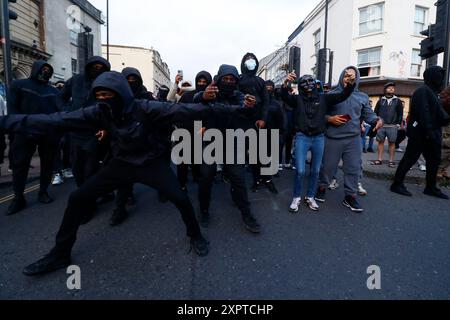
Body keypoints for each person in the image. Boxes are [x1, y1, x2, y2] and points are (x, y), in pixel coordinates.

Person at [0, 71, 250, 276]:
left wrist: (233, 108)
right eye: (99, 95)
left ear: (122, 95)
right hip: (120, 164)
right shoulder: (98, 112)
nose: (103, 100)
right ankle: (60, 253)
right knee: (77, 198)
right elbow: (55, 120)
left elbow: (191, 111)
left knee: (181, 199)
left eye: (109, 95)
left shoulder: (147, 108)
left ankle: (195, 235)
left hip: (151, 163)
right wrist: (5, 122)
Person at [193, 64, 262, 232]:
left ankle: (246, 214)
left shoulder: (240, 96)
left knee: (238, 178)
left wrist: (252, 106)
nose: (229, 82)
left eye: (232, 79)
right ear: (219, 79)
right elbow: (196, 99)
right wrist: (203, 95)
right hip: (211, 141)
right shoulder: (211, 93)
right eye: (226, 79)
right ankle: (204, 210)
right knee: (206, 176)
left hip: (232, 142)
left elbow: (250, 111)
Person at [281, 72, 356, 213]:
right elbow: (284, 96)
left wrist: (350, 85)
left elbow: (342, 96)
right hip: (302, 137)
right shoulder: (297, 99)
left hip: (319, 138)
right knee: (300, 170)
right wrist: (286, 83)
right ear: (300, 85)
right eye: (304, 82)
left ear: (315, 83)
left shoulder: (323, 98)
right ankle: (296, 197)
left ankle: (310, 197)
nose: (307, 84)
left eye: (310, 81)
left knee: (315, 170)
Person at [316, 67, 383, 213]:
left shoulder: (362, 97)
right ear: (341, 77)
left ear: (357, 79)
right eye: (346, 75)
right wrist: (330, 118)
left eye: (352, 76)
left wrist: (377, 120)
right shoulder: (331, 94)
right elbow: (319, 115)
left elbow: (369, 115)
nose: (349, 78)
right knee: (327, 167)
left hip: (353, 139)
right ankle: (322, 187)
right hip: (333, 138)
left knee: (353, 168)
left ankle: (350, 196)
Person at [6, 60, 62, 215]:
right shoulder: (19, 85)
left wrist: (57, 130)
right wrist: (21, 127)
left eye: (48, 69)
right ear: (35, 69)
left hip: (47, 133)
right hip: (24, 132)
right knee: (20, 165)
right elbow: (13, 108)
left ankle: (43, 191)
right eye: (43, 69)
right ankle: (18, 198)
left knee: (48, 164)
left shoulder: (54, 91)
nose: (45, 71)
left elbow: (59, 111)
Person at [391, 66, 450, 199]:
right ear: (431, 76)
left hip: (432, 132)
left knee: (434, 161)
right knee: (410, 158)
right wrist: (430, 131)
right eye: (438, 76)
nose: (440, 79)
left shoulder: (433, 92)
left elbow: (436, 113)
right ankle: (397, 183)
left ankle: (430, 187)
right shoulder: (423, 91)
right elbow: (424, 113)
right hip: (421, 133)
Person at [109, 67, 157, 226]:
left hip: (146, 146)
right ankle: (120, 208)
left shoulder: (147, 97)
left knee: (161, 177)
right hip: (124, 146)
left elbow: (159, 114)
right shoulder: (115, 98)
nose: (131, 83)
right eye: (127, 80)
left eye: (134, 79)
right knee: (123, 179)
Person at [59, 56, 111, 188]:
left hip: (94, 132)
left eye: (101, 68)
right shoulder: (76, 80)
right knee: (76, 167)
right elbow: (61, 98)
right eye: (95, 67)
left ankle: (89, 198)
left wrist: (105, 127)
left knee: (90, 168)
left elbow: (111, 107)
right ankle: (83, 192)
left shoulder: (106, 84)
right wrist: (68, 112)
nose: (97, 70)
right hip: (75, 131)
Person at [251, 80, 283, 194]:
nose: (268, 89)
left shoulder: (276, 104)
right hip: (256, 134)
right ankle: (257, 180)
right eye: (266, 87)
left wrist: (279, 133)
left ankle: (268, 180)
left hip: (272, 135)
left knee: (268, 159)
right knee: (255, 160)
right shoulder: (257, 103)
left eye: (270, 87)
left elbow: (281, 120)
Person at [371, 83, 404, 168]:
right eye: (389, 88)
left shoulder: (398, 100)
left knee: (392, 143)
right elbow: (375, 112)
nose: (391, 89)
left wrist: (398, 124)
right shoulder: (380, 100)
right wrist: (377, 122)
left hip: (392, 126)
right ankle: (379, 159)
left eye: (393, 88)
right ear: (385, 89)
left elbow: (400, 113)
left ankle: (391, 161)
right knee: (380, 142)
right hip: (381, 125)